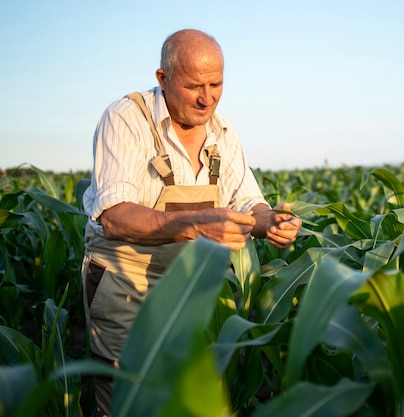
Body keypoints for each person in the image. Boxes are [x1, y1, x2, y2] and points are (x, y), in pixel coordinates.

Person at [81, 28, 301, 416]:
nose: (207, 98)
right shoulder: (127, 119)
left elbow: (250, 202)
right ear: (163, 79)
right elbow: (114, 217)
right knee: (128, 396)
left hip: (191, 286)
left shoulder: (223, 133)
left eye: (216, 84)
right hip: (125, 281)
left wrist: (271, 222)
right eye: (194, 85)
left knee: (188, 394)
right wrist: (198, 224)